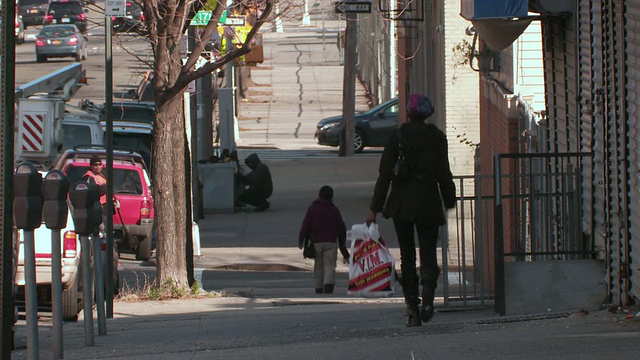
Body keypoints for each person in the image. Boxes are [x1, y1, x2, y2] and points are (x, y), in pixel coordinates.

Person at [366, 94, 456, 327]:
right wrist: (449, 200)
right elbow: (443, 173)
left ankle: (412, 309)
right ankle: (428, 299)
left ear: (409, 112)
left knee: (407, 255)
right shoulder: (437, 138)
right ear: (427, 114)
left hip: (402, 202)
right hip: (428, 199)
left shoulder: (397, 136)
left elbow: (385, 174)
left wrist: (374, 208)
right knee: (428, 252)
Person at [298, 186, 350, 294]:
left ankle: (318, 287)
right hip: (331, 242)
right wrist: (342, 245)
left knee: (318, 266)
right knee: (330, 266)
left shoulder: (312, 208)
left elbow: (306, 225)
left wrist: (301, 240)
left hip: (316, 242)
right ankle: (328, 285)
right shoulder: (334, 209)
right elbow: (341, 228)